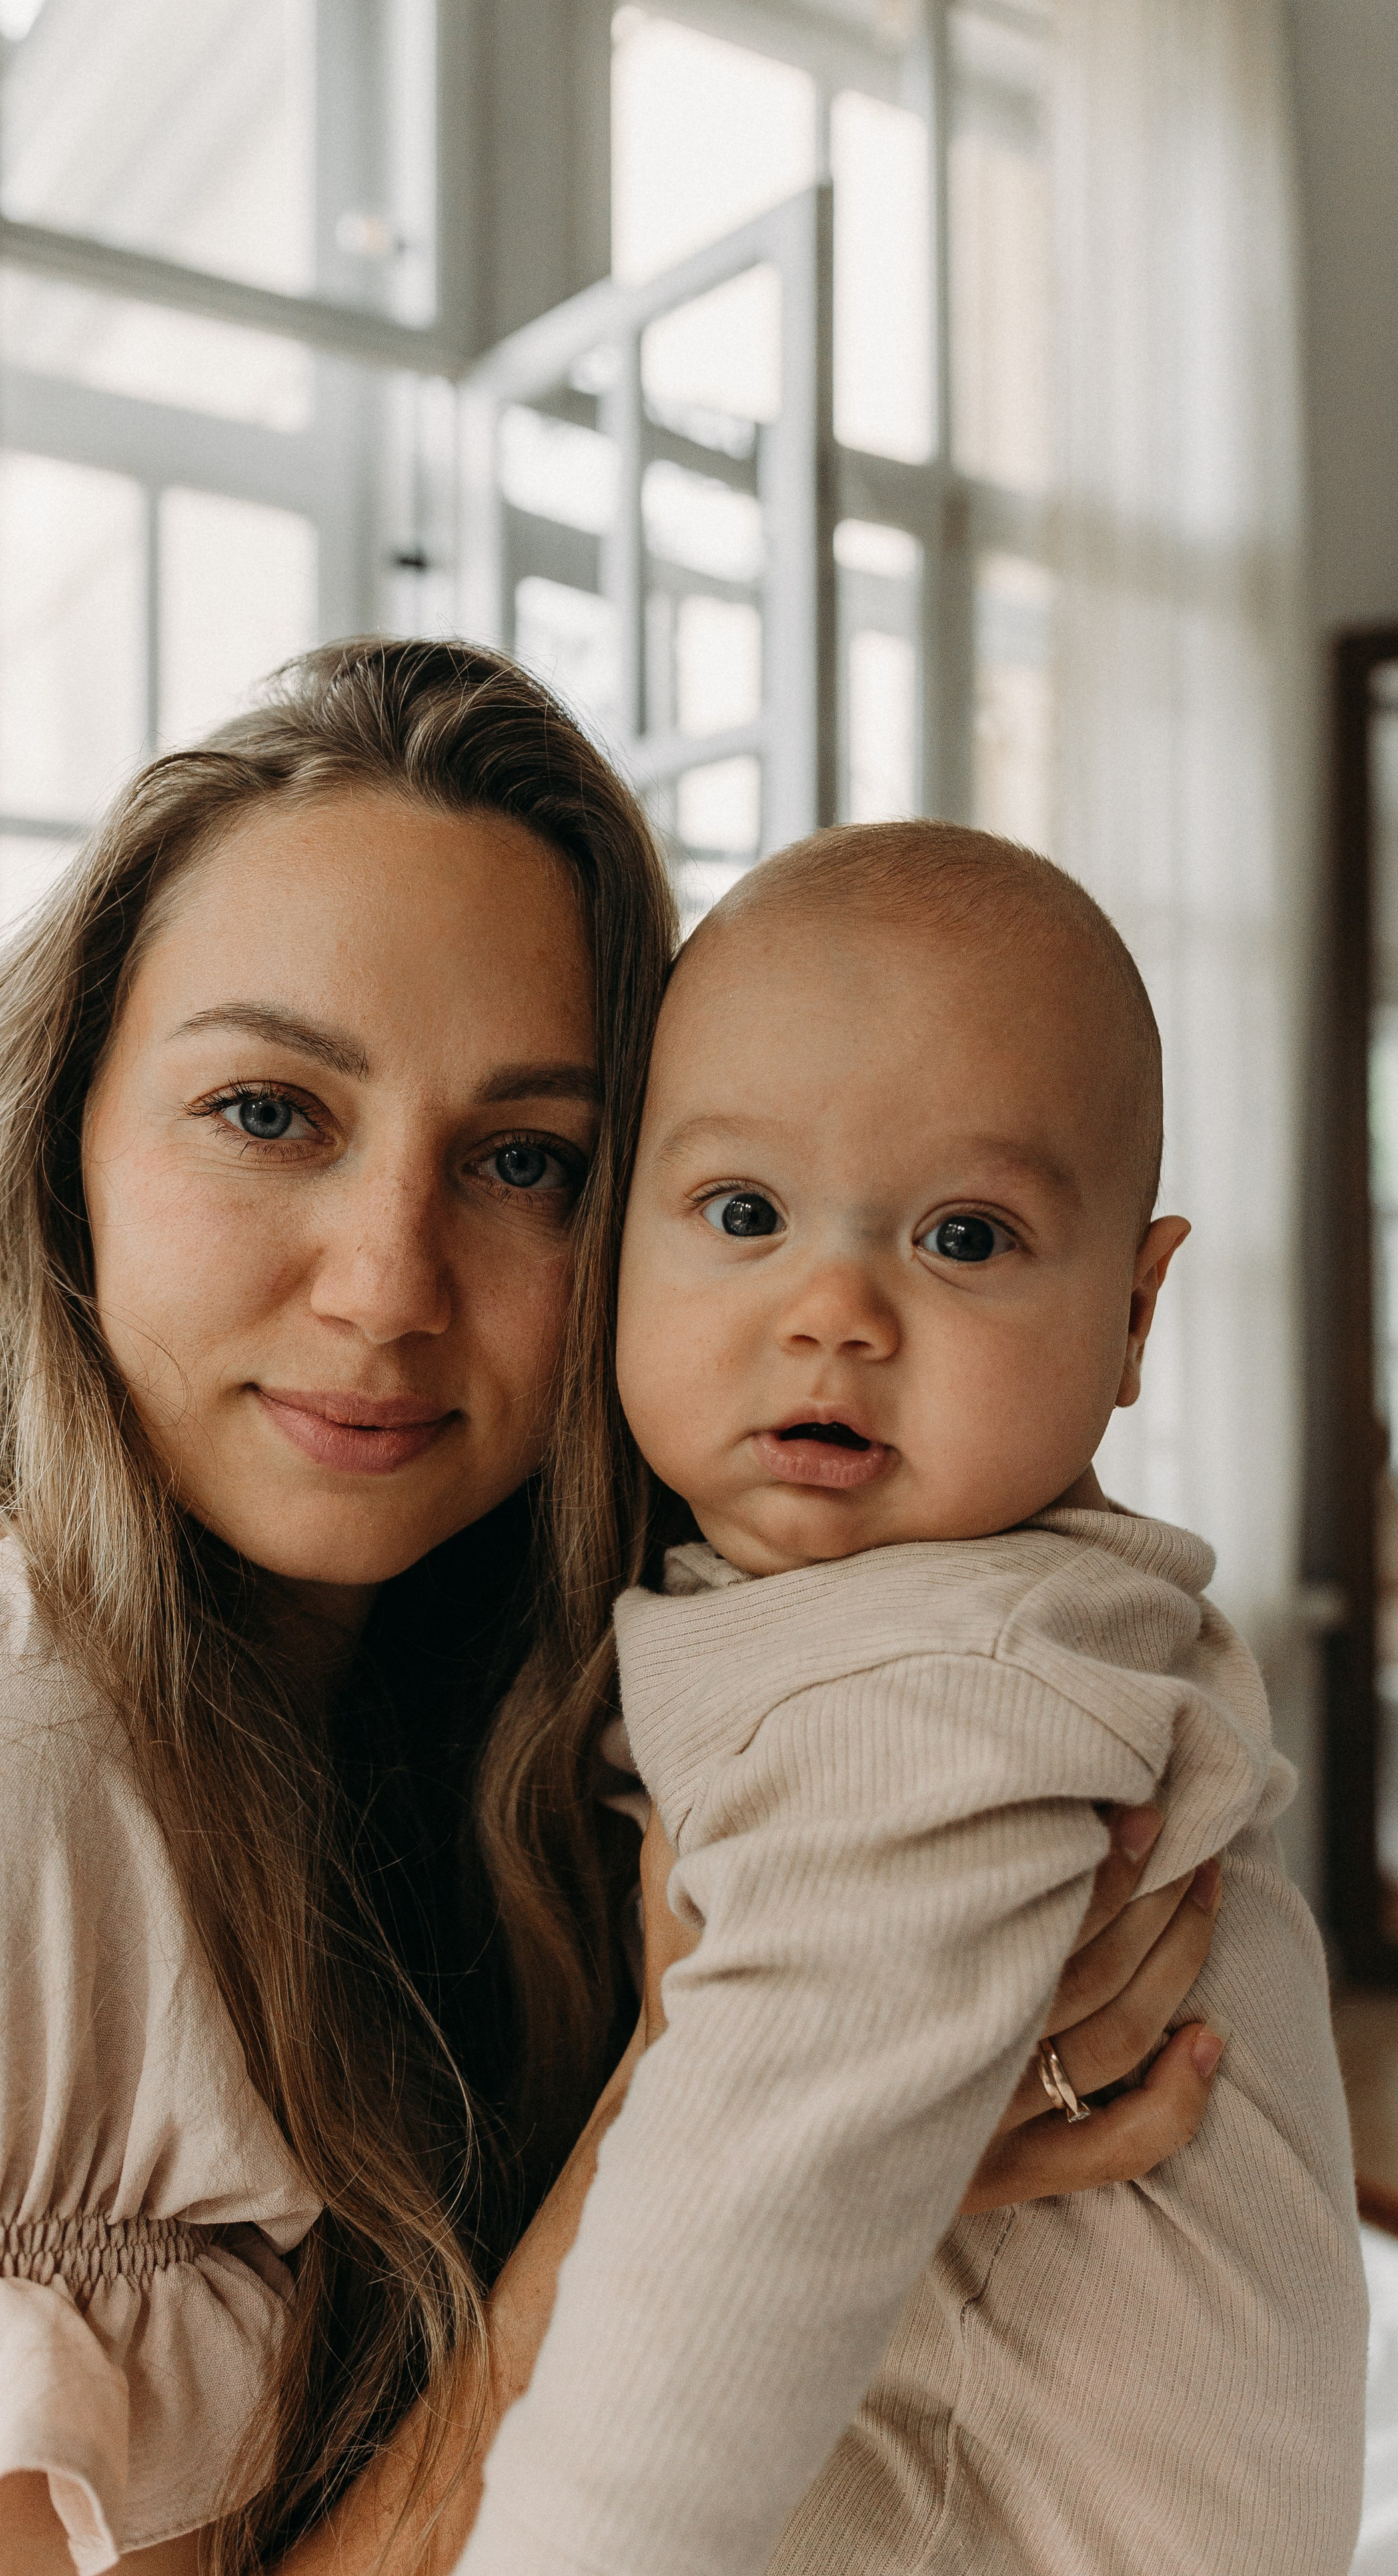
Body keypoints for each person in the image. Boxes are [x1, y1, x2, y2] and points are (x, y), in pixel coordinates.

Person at [0, 647, 1229, 2576]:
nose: (388, 1284)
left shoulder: (522, 1682)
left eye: (527, 1160)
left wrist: (915, 2097)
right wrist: (709, 2155)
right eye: (269, 1111)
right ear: (66, 1147)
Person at [454, 821, 1366, 2576]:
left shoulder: (936, 1702)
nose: (833, 1311)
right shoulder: (937, 1612)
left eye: (965, 1235)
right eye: (744, 1213)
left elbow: (714, 2290)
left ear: (1131, 1312)